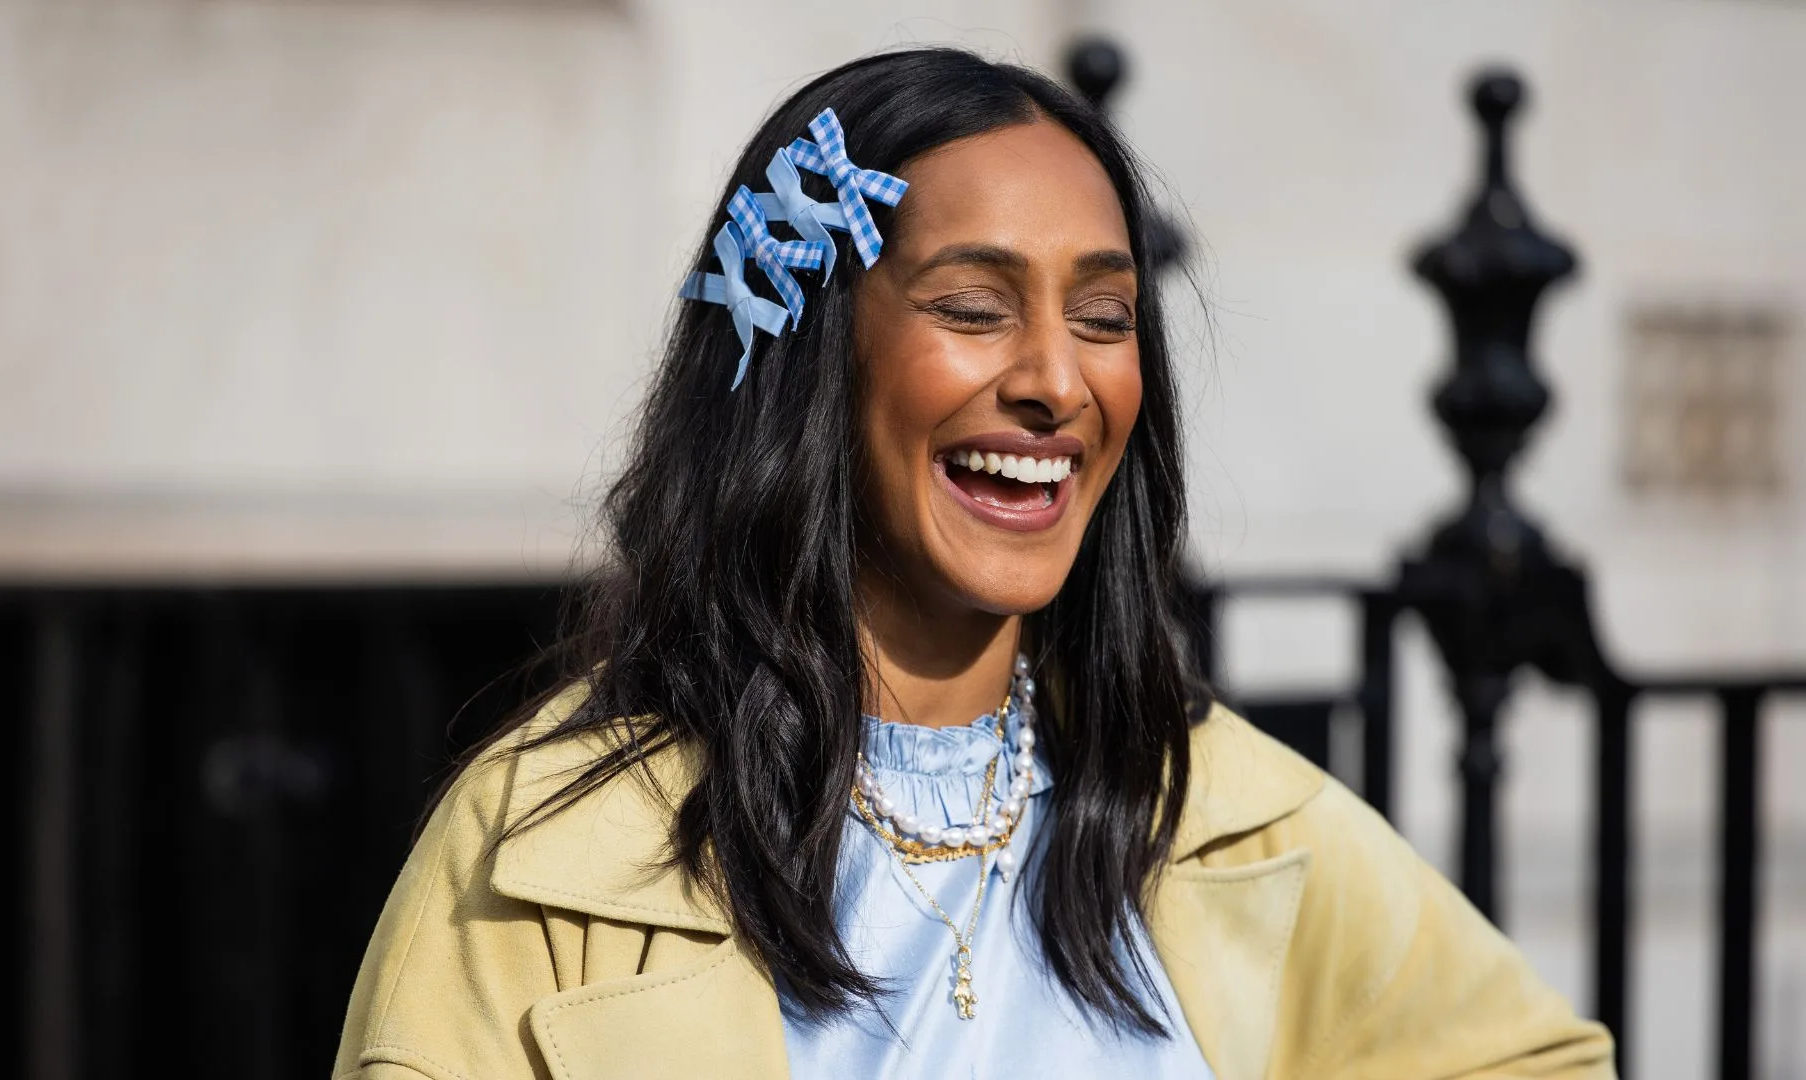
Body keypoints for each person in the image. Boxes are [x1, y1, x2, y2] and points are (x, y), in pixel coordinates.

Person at [333, 48, 1614, 1080]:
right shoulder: (541, 851)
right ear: (808, 359)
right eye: (972, 308)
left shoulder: (1221, 808)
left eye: (1105, 317)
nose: (1058, 380)